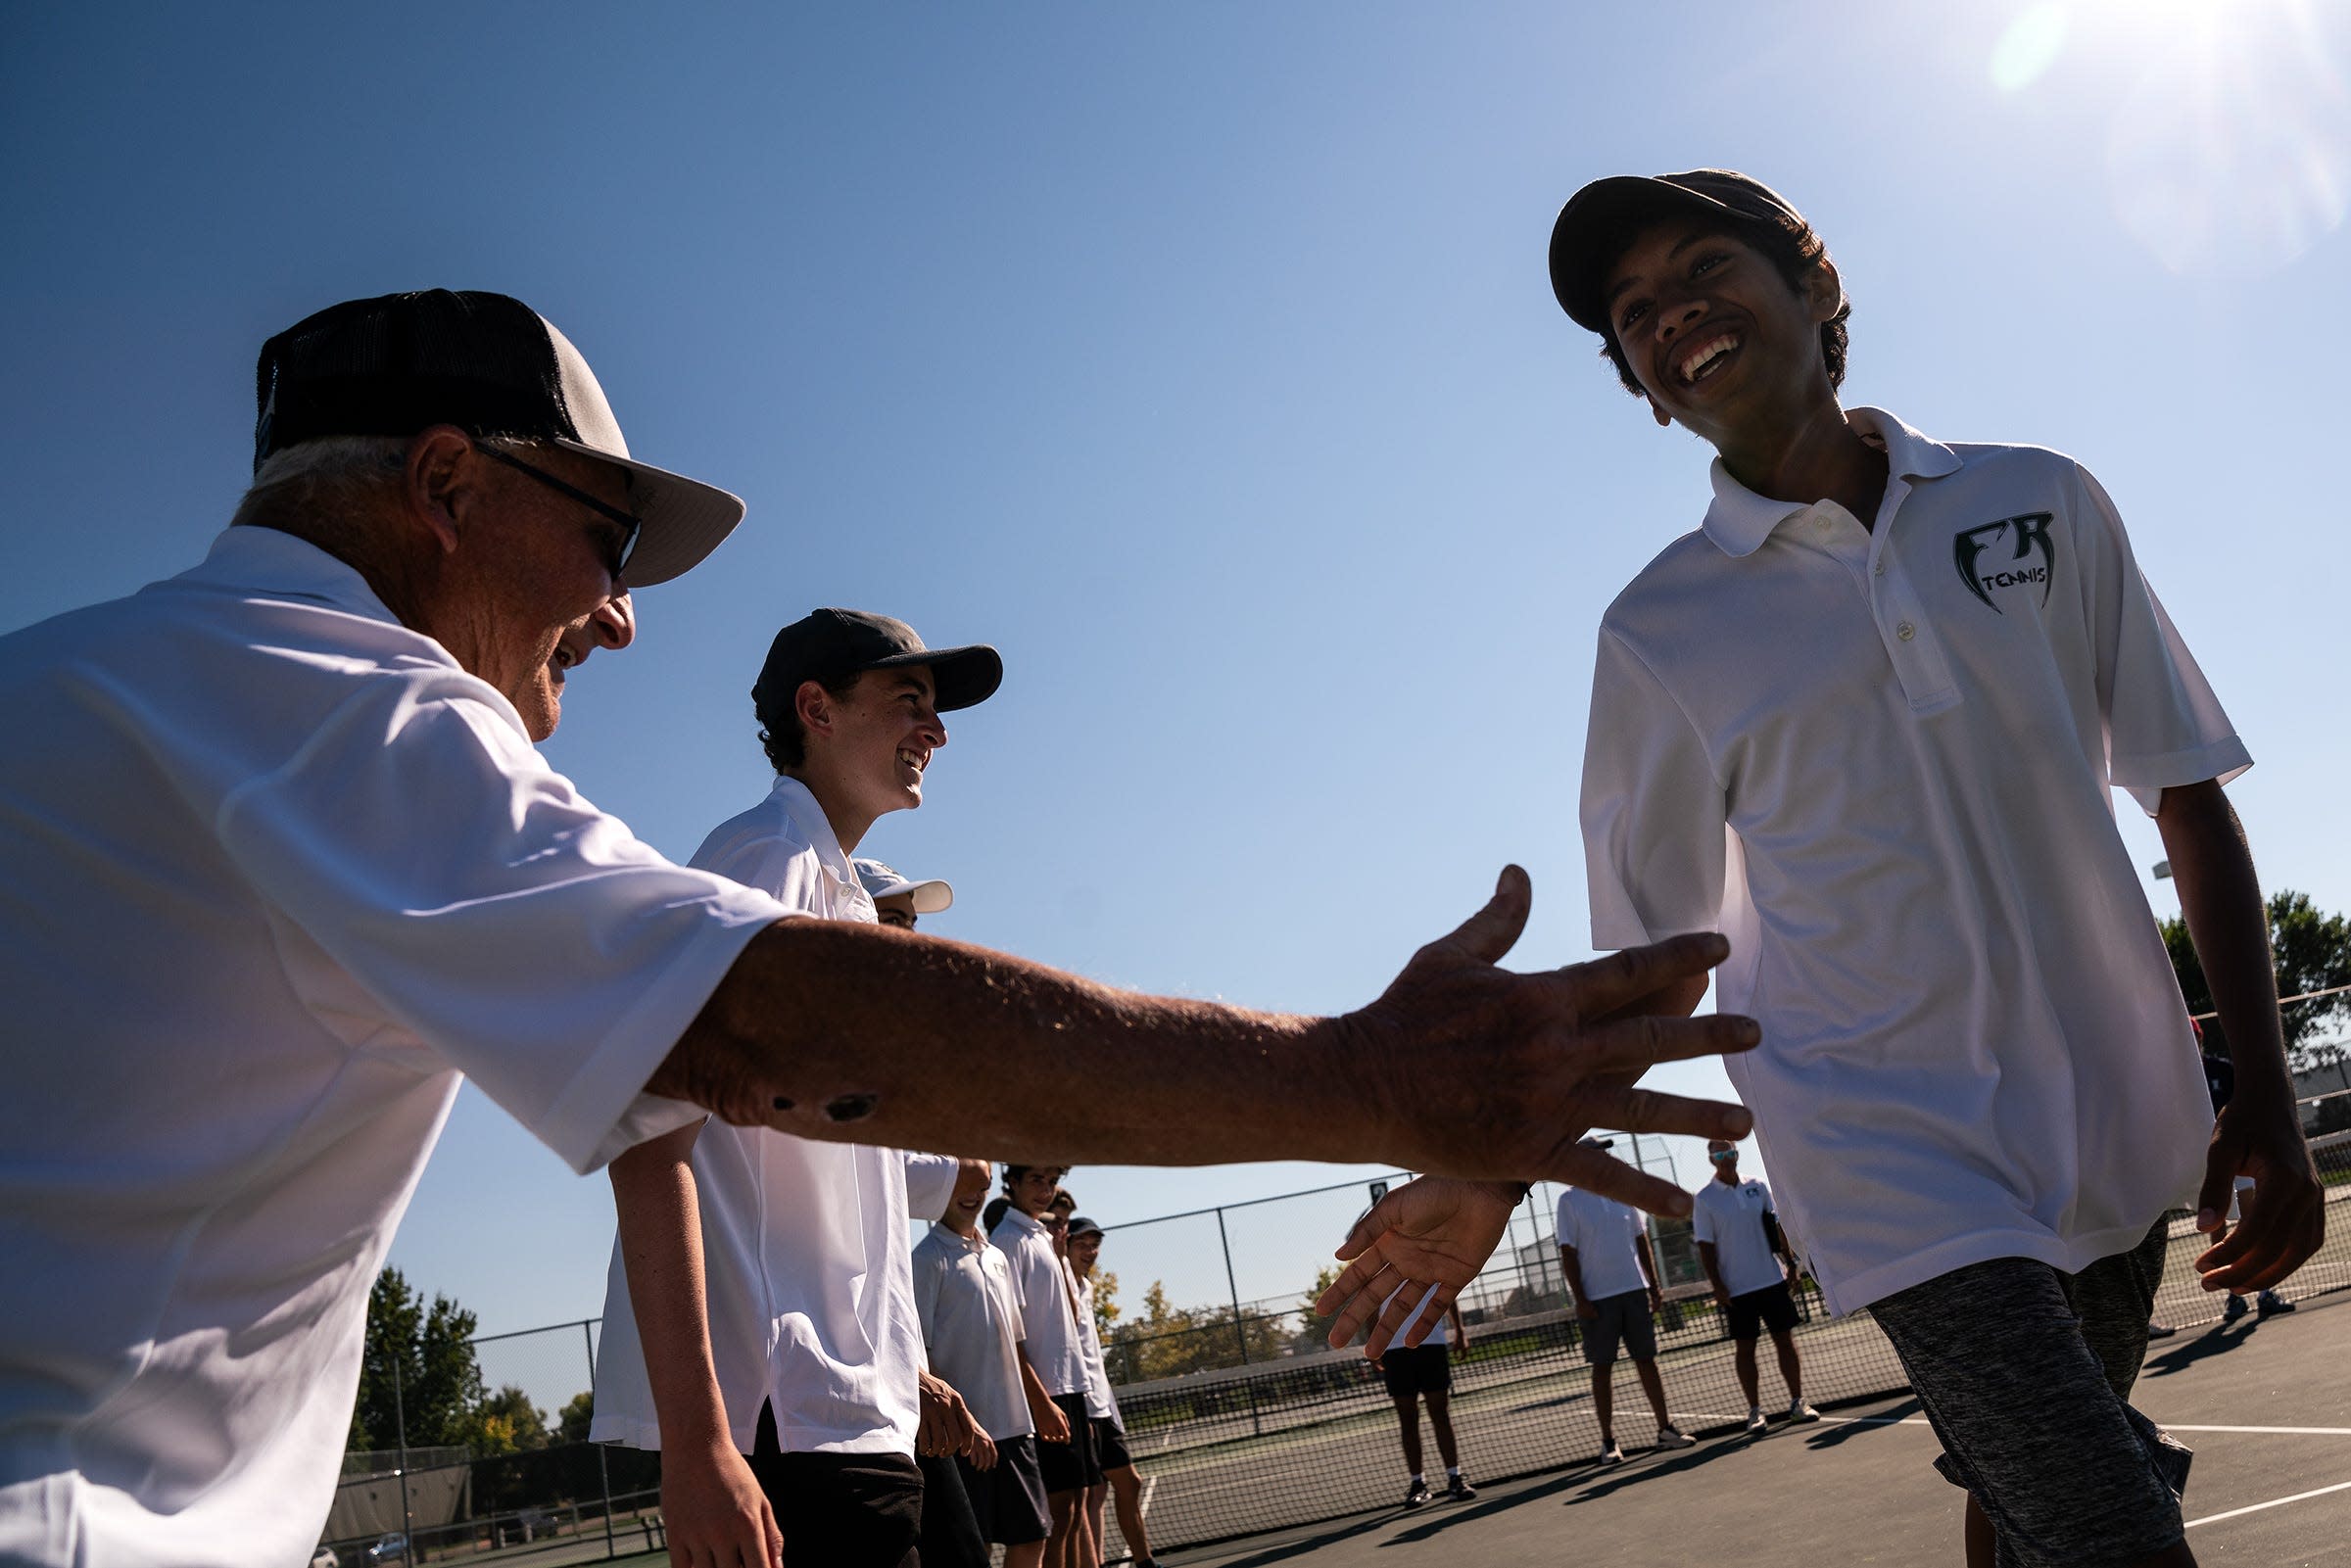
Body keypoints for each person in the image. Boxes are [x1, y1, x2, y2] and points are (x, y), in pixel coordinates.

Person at [0, 288, 1759, 1565]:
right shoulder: (330, 692)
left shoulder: (68, 681)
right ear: (446, 484)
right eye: (606, 537)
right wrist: (1369, 1077)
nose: (616, 618)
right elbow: (746, 1040)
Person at [1543, 170, 2323, 1565]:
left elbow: (2186, 795)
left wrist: (2259, 1092)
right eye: (1636, 313)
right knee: (2106, 1530)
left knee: (2033, 1503)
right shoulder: (1658, 631)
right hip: (1883, 1151)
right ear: (1644, 391)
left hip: (2115, 1120)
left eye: (1705, 267)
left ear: (1815, 288)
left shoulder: (2039, 501)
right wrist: (1498, 1155)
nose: (1676, 316)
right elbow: (1642, 961)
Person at [592, 606, 1004, 1568]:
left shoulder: (840, 893)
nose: (935, 730)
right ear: (815, 708)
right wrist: (699, 1446)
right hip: (789, 1425)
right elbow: (649, 1139)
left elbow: (827, 1204)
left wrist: (903, 1368)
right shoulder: (759, 864)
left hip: (844, 1417)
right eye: (910, 699)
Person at [914, 1159, 1057, 1568]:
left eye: (983, 1186)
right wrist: (964, 1425)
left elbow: (1014, 1343)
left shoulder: (997, 1257)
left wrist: (1041, 1404)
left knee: (1033, 1538)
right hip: (963, 1439)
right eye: (963, 1184)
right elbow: (919, 1354)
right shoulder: (925, 1260)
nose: (973, 1195)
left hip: (1016, 1431)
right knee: (974, 1551)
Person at [1556, 1143, 1694, 1463]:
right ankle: (1608, 1442)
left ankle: (1665, 1431)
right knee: (1602, 1368)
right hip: (1597, 1301)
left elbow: (1640, 1240)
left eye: (1604, 1152)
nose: (1603, 1157)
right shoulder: (1569, 1201)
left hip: (1634, 1292)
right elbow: (1568, 1253)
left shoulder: (1625, 1195)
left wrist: (1654, 1285)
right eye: (1595, 1153)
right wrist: (1580, 1298)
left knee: (1647, 1361)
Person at [993, 1166, 1099, 1568]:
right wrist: (1041, 1403)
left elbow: (1064, 1324)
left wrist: (1079, 1394)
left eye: (1050, 1181)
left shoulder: (1043, 1237)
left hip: (1070, 1392)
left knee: (1072, 1508)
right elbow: (1008, 1333)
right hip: (1045, 1397)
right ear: (1013, 1183)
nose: (1044, 1190)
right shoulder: (1008, 1240)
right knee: (1054, 1517)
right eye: (1035, 1180)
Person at [1692, 1139, 1818, 1432]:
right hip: (1736, 1290)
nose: (1726, 1158)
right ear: (1711, 1159)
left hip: (1772, 1280)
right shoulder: (1705, 1198)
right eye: (1720, 1154)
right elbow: (1705, 1246)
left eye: (1730, 1152)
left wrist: (1790, 1265)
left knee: (1785, 1341)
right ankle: (1755, 1412)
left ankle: (1798, 1403)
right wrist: (1718, 1285)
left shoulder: (1758, 1186)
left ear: (1737, 1153)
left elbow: (1777, 1227)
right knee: (1745, 1349)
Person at [1064, 1214, 1163, 1564]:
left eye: (1094, 1244)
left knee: (1126, 1484)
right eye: (1081, 1244)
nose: (1090, 1251)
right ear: (1065, 1246)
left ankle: (1145, 1561)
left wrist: (1109, 1406)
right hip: (1079, 1407)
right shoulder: (1060, 1287)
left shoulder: (1087, 1288)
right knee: (1090, 1495)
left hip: (1102, 1406)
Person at [1372, 1278, 1475, 1507]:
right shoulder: (1377, 1267)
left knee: (1440, 1412)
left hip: (1431, 1344)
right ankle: (1418, 1484)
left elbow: (1447, 1292)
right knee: (1407, 1418)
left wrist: (1460, 1330)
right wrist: (1374, 1344)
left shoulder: (1425, 1249)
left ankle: (1455, 1478)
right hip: (1395, 1350)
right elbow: (1372, 1306)